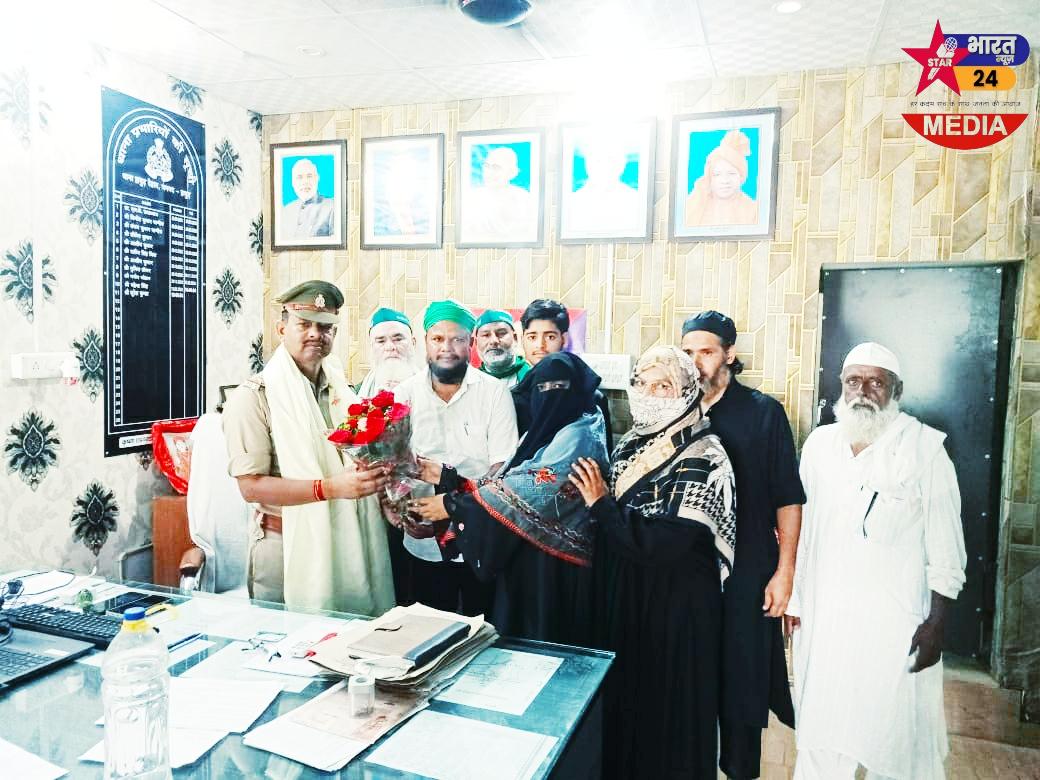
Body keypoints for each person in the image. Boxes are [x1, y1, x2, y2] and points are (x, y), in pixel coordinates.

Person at [789, 342, 966, 780]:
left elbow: (946, 545)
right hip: (825, 620)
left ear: (896, 390)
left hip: (894, 625)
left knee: (898, 741)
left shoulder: (926, 450)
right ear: (841, 386)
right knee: (821, 732)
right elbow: (803, 530)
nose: (863, 391)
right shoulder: (819, 446)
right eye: (854, 381)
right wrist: (794, 601)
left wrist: (937, 622)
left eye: (876, 382)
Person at [569, 345, 736, 780]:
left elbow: (667, 543)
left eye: (663, 385)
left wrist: (602, 506)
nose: (648, 393)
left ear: (687, 392)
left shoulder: (705, 454)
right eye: (642, 382)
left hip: (675, 610)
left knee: (667, 714)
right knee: (629, 708)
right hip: (631, 597)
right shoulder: (631, 443)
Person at [222, 280, 395, 616]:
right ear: (282, 329)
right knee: (289, 641)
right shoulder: (254, 398)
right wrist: (330, 488)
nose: (316, 334)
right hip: (285, 545)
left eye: (325, 326)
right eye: (304, 324)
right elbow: (250, 487)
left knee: (350, 638)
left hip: (347, 539)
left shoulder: (343, 392)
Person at [680, 310, 803, 780]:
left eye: (706, 351)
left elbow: (788, 498)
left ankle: (740, 770)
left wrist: (785, 573)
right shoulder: (676, 410)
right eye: (688, 352)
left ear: (729, 354)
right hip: (689, 570)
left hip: (749, 570)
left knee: (742, 682)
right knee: (691, 679)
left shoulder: (762, 412)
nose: (696, 362)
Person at [409, 352, 607, 644]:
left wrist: (452, 505)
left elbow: (533, 488)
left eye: (561, 388)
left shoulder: (580, 436)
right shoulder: (547, 430)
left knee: (547, 639)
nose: (552, 396)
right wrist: (448, 477)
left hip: (556, 566)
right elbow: (509, 481)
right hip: (528, 557)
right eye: (543, 388)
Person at [390, 299, 519, 615]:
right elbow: (393, 462)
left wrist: (455, 502)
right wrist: (399, 511)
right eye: (437, 338)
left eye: (457, 339)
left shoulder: (494, 392)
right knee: (428, 625)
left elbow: (503, 467)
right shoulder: (405, 394)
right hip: (422, 537)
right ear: (425, 342)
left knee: (484, 626)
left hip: (480, 534)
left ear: (470, 343)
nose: (446, 348)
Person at [520, 298, 613, 451]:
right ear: (522, 339)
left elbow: (603, 451)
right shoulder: (514, 395)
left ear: (564, 339)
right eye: (532, 337)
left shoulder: (592, 396)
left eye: (550, 337)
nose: (540, 345)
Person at [564, 136, 643, 236]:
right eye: (597, 160)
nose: (604, 166)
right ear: (587, 164)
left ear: (622, 164)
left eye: (610, 159)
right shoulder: (572, 202)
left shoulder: (636, 201)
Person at [461, 146, 537, 243]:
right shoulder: (472, 199)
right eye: (486, 166)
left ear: (512, 172)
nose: (489, 173)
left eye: (496, 167)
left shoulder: (525, 199)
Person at [684, 130, 759, 227]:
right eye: (717, 174)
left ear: (741, 176)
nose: (725, 181)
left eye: (731, 173)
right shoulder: (695, 205)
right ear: (709, 178)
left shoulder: (753, 211)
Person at [357, 307, 422, 397]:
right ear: (371, 347)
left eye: (398, 339)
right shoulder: (353, 395)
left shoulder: (435, 392)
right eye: (381, 341)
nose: (390, 347)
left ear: (413, 343)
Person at [281, 158, 336, 239]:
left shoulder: (332, 206)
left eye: (309, 176)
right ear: (293, 182)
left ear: (317, 178)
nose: (305, 182)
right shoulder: (286, 210)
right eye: (299, 177)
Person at [474, 309, 529, 387]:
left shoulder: (534, 377)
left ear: (515, 338)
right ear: (476, 343)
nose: (494, 341)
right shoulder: (469, 384)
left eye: (501, 333)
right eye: (486, 335)